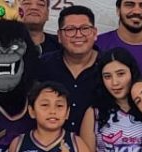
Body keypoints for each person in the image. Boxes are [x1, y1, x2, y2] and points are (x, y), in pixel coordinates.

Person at [38, 6, 100, 134]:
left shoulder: (109, 67)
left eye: (85, 28)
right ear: (59, 36)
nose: (78, 35)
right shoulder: (42, 65)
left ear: (94, 33)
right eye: (70, 29)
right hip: (50, 143)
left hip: (99, 145)